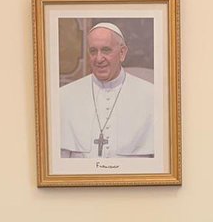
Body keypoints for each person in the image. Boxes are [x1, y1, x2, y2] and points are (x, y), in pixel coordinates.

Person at [59, 22, 158, 159]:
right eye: (93, 51)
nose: (99, 59)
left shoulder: (151, 96)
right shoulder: (65, 96)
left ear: (122, 52)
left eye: (106, 50)